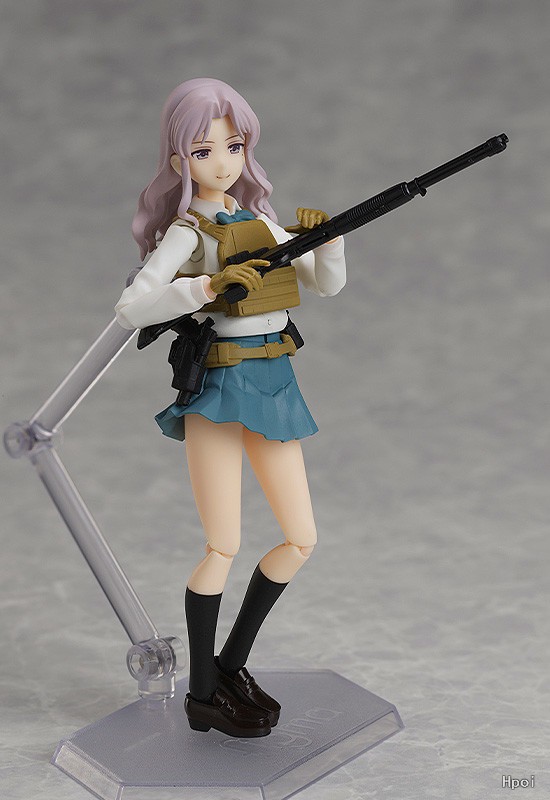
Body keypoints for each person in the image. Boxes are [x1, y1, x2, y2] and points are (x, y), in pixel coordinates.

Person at [115, 78, 346, 737]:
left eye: (233, 146)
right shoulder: (188, 233)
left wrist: (329, 241)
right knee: (224, 543)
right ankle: (201, 694)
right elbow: (131, 308)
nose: (222, 162)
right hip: (219, 387)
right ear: (178, 160)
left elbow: (326, 285)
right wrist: (206, 285)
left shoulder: (259, 222)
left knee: (301, 538)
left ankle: (229, 666)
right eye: (203, 150)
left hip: (274, 380)